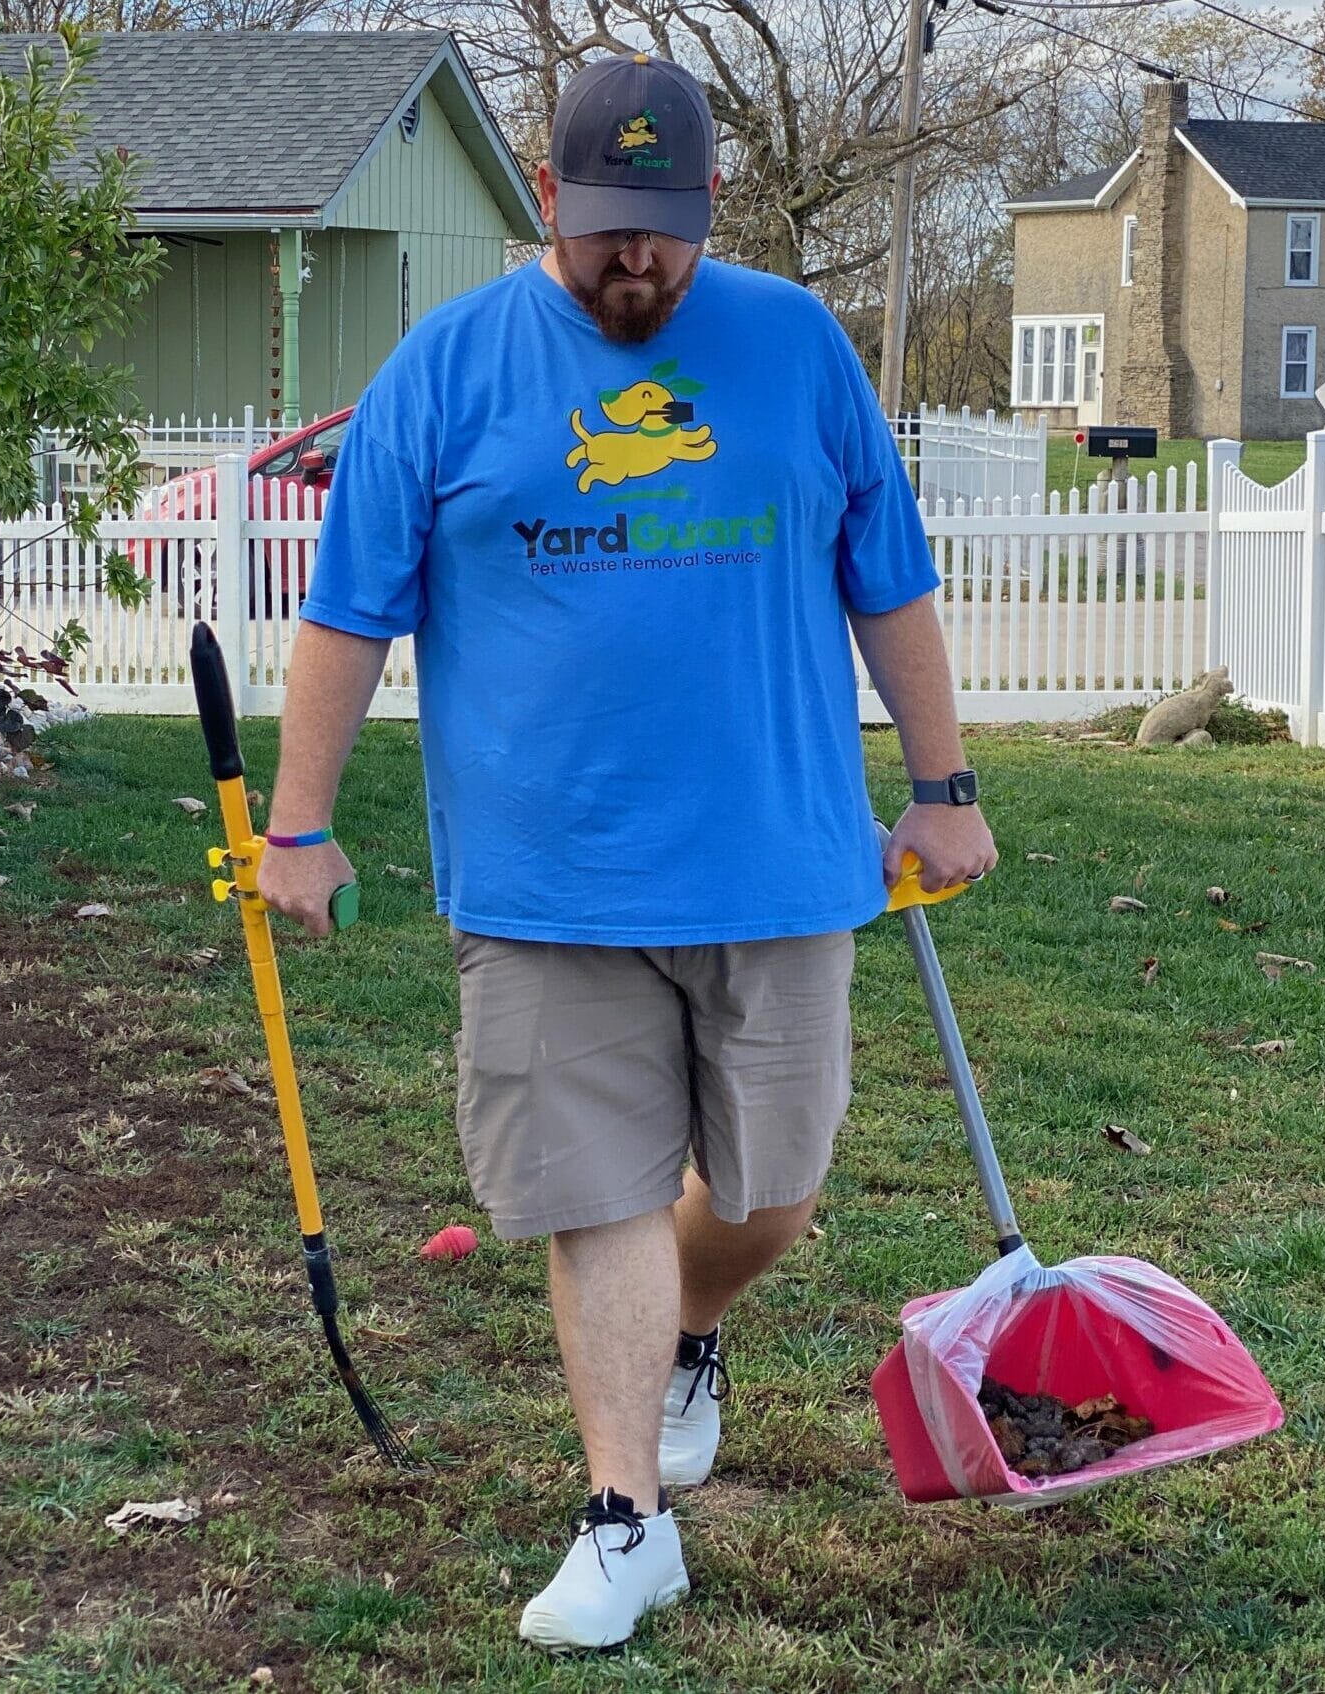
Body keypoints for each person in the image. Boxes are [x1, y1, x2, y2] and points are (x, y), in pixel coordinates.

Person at [256, 50, 997, 1652]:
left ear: (708, 206)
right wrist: (296, 824)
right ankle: (622, 1519)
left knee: (773, 1187)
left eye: (662, 231)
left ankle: (693, 1321)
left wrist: (942, 783)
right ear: (549, 201)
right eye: (604, 232)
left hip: (782, 860)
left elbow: (890, 575)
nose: (635, 262)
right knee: (590, 1190)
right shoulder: (446, 370)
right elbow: (350, 612)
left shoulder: (797, 348)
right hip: (548, 878)